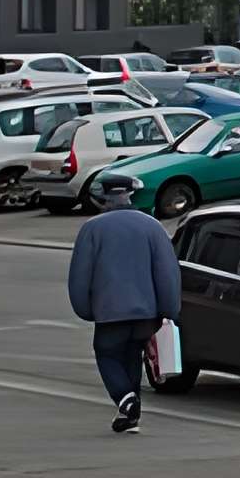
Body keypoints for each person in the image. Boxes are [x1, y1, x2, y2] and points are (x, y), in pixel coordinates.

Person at [66, 169, 181, 433]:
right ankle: (130, 414)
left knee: (107, 353)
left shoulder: (92, 229)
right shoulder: (152, 226)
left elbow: (81, 275)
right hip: (146, 312)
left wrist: (85, 309)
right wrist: (169, 309)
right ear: (131, 194)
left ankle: (124, 397)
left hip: (110, 312)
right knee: (132, 355)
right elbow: (167, 271)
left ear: (103, 196)